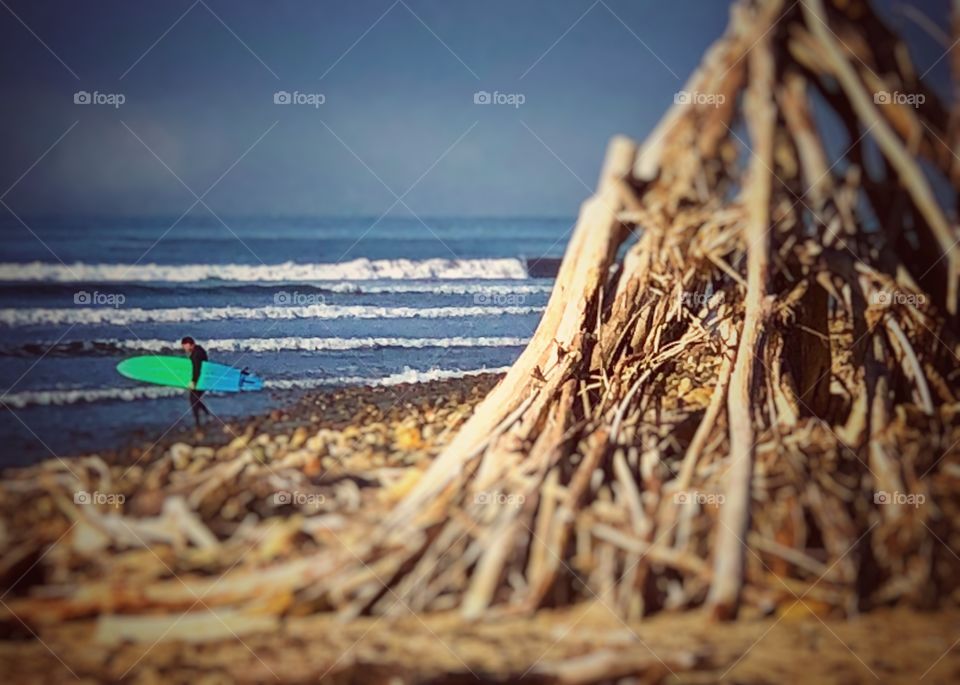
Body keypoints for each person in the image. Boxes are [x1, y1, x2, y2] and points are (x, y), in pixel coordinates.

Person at [181, 336, 211, 427]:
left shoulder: (196, 354)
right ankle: (207, 415)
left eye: (184, 346)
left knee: (193, 400)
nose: (184, 348)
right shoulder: (198, 350)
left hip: (200, 381)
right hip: (203, 379)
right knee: (195, 399)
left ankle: (198, 423)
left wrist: (193, 381)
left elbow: (197, 369)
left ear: (190, 344)